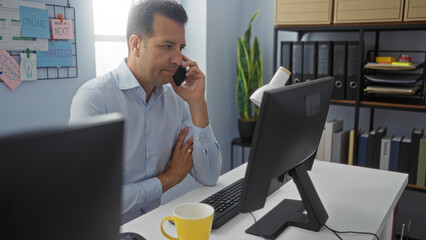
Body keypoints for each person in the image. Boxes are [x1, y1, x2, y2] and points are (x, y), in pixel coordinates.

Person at [69, 0, 222, 223]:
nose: (178, 59)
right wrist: (169, 179)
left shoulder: (177, 99)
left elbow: (209, 176)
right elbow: (95, 199)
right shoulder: (94, 99)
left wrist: (198, 103)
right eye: (167, 46)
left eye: (181, 48)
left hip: (151, 227)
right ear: (136, 45)